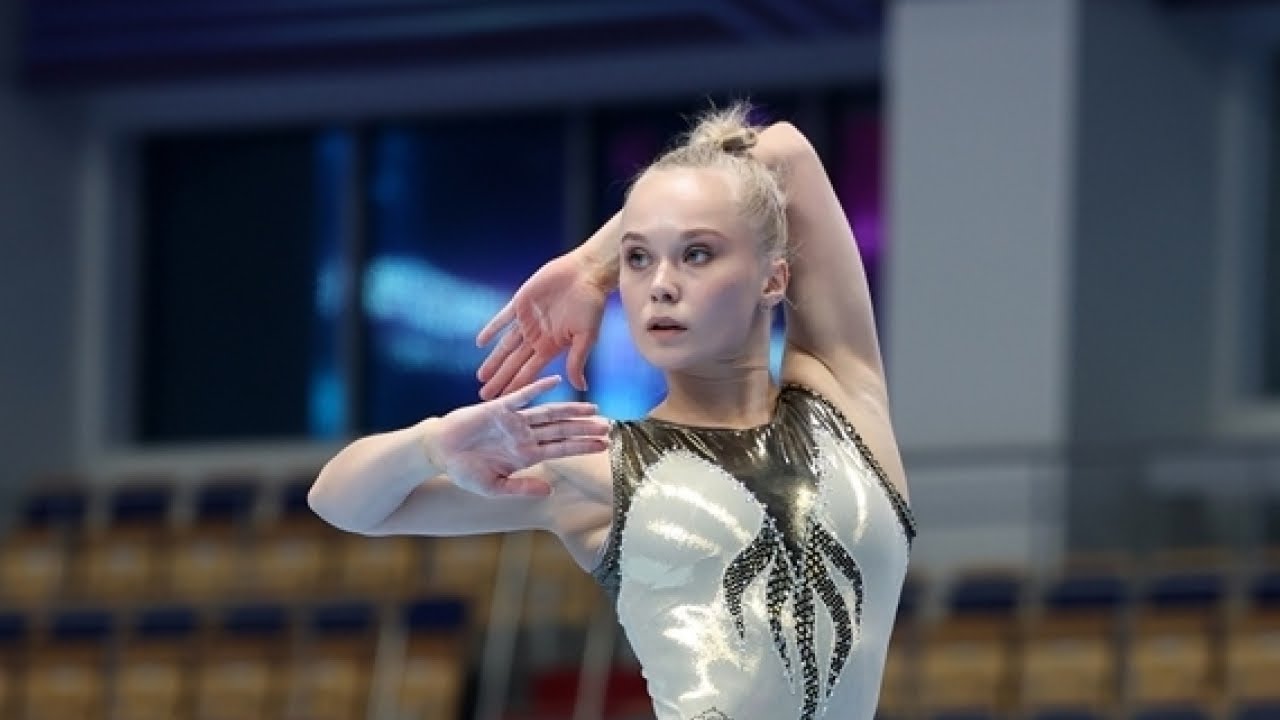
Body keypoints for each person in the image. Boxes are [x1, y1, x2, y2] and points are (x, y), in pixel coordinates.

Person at [309, 102, 916, 720]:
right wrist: (429, 446)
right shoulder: (593, 463)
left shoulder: (843, 397)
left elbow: (782, 149)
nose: (661, 284)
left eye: (698, 253)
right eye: (637, 258)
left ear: (772, 279)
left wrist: (590, 264)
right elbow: (340, 502)